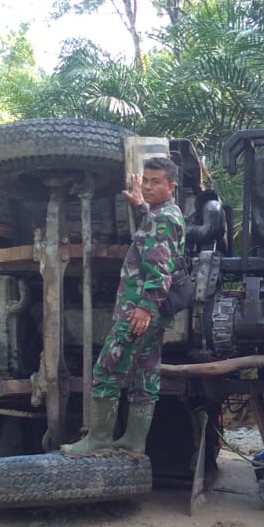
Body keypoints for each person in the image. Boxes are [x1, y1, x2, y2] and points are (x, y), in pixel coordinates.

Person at [63, 157, 186, 456]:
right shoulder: (166, 214)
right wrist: (141, 207)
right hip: (152, 315)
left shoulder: (162, 219)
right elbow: (156, 239)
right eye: (145, 180)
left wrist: (144, 307)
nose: (147, 186)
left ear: (171, 186)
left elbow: (159, 268)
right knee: (145, 375)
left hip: (138, 314)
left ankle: (99, 438)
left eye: (155, 182)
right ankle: (134, 440)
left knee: (106, 370)